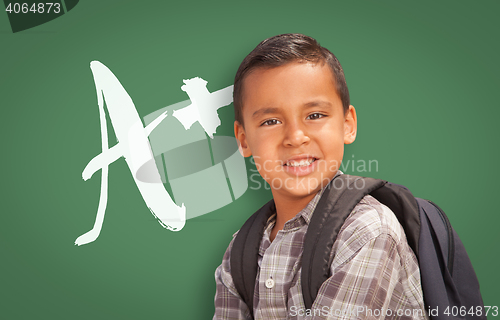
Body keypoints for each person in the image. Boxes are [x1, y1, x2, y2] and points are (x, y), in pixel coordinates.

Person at [213, 33, 427, 319]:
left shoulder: (367, 230)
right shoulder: (240, 252)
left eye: (314, 115)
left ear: (348, 125)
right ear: (244, 140)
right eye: (271, 121)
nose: (295, 137)